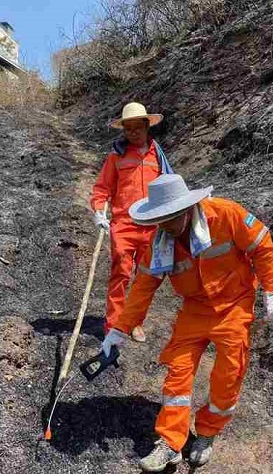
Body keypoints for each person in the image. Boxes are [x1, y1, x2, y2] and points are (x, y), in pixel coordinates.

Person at [100, 173, 273, 472]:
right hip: (195, 309)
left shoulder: (226, 214)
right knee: (178, 373)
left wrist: (272, 292)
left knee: (229, 374)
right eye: (161, 220)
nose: (167, 226)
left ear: (187, 208)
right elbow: (143, 286)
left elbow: (261, 246)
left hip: (234, 306)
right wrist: (119, 329)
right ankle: (171, 443)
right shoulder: (160, 243)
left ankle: (208, 432)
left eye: (172, 218)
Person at [90, 102, 173, 341]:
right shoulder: (116, 156)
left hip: (153, 226)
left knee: (145, 278)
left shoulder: (158, 156)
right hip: (123, 225)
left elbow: (170, 186)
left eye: (138, 127)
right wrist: (98, 211)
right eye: (128, 128)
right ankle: (113, 325)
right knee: (120, 276)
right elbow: (101, 189)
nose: (133, 132)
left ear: (147, 127)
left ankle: (135, 322)